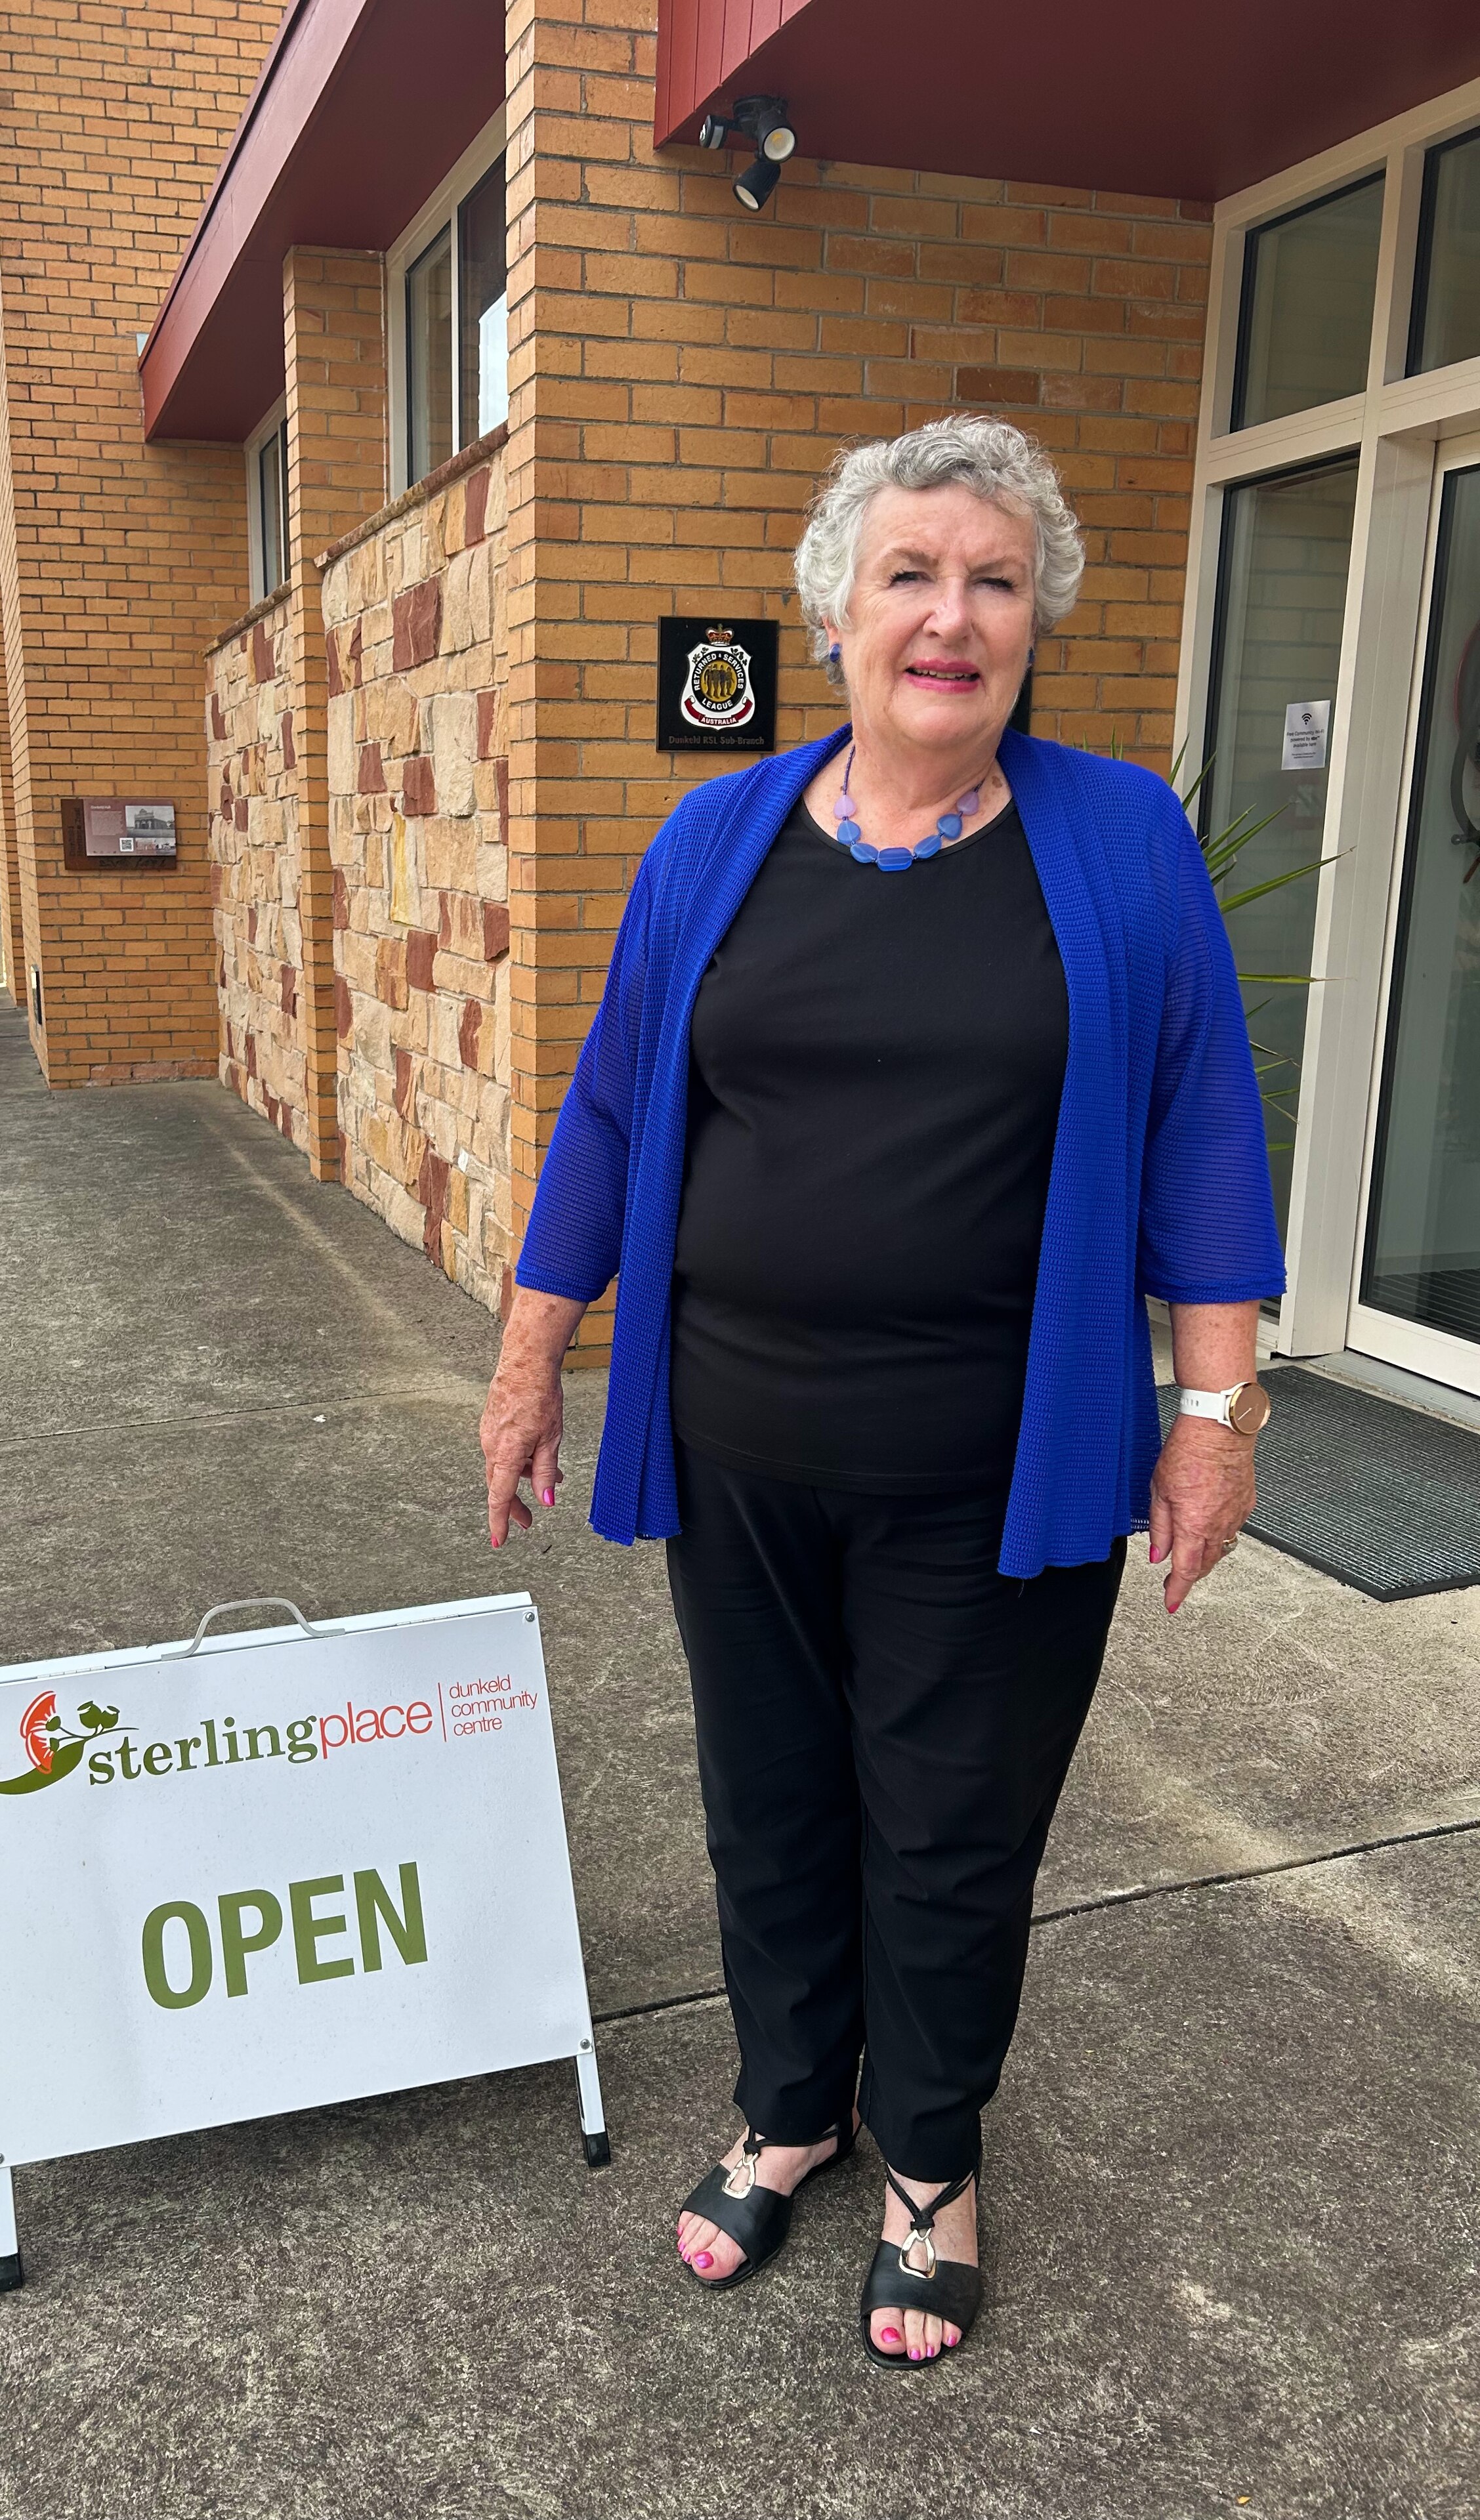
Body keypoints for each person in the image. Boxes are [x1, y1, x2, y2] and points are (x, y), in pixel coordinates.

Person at [478, 414, 1282, 2370]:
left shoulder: (1119, 839)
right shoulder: (718, 837)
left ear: (1036, 620)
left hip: (985, 1461)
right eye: (912, 574)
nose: (952, 616)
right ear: (836, 609)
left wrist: (1213, 1414)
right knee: (768, 1803)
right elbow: (607, 1108)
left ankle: (928, 2160)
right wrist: (525, 1358)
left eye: (994, 580)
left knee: (949, 1820)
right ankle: (788, 2105)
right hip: (743, 1436)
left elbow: (1199, 1132)